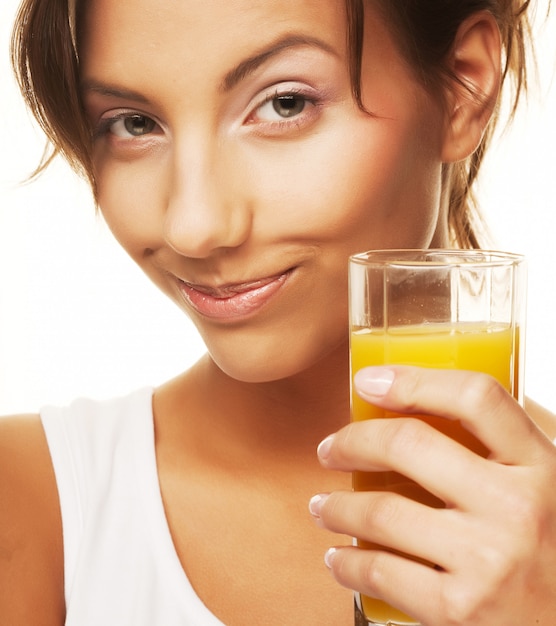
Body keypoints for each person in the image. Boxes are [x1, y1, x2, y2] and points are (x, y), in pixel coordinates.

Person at [1, 0, 555, 625]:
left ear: (463, 84)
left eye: (285, 103)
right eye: (133, 123)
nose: (195, 225)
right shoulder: (32, 501)